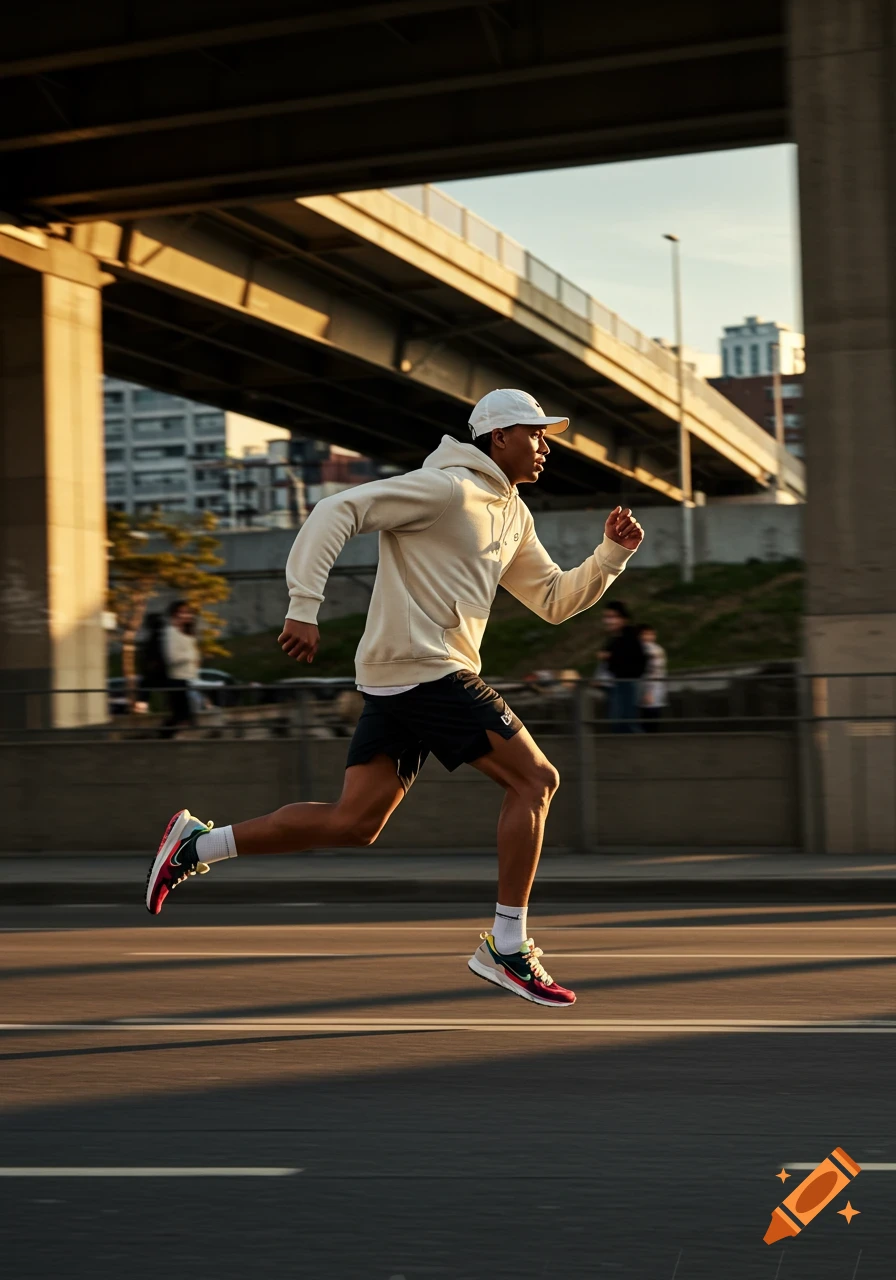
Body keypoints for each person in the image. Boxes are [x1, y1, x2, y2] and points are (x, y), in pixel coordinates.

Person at [145, 388, 644, 1007]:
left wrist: (610, 556)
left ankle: (198, 844)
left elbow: (552, 601)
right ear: (498, 437)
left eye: (546, 436)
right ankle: (507, 945)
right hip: (425, 667)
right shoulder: (446, 489)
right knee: (536, 780)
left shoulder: (513, 514)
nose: (545, 447)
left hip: (406, 675)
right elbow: (335, 510)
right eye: (535, 434)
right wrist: (304, 605)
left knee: (356, 823)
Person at [600, 601, 647, 733]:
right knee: (620, 721)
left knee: (625, 721)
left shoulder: (629, 637)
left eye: (612, 617)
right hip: (619, 682)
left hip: (627, 682)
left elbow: (635, 660)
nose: (608, 621)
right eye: (606, 617)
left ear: (623, 619)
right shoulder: (615, 638)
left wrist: (610, 657)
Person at [160, 600, 201, 739]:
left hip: (189, 678)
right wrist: (190, 656)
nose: (186, 615)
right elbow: (172, 658)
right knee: (181, 715)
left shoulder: (188, 633)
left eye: (187, 612)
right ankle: (164, 736)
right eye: (182, 612)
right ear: (175, 615)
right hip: (177, 678)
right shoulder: (170, 632)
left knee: (186, 715)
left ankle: (168, 736)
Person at [637, 623, 668, 731]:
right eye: (645, 634)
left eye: (651, 634)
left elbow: (654, 671)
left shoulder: (654, 650)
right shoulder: (649, 649)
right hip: (648, 689)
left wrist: (648, 692)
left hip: (652, 689)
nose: (648, 637)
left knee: (650, 719)